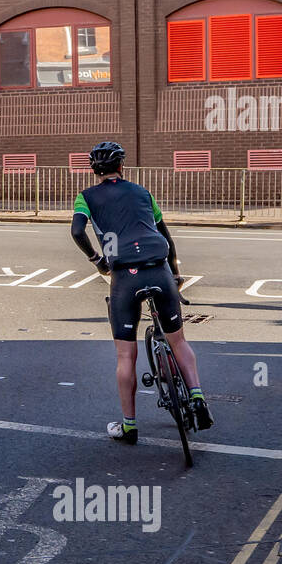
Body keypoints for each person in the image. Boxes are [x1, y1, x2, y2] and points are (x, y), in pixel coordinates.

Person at [70, 141, 213, 443]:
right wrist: (175, 274)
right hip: (159, 265)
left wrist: (97, 260)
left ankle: (129, 426)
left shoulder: (85, 198)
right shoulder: (143, 193)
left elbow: (77, 231)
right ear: (122, 166)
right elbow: (166, 236)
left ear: (94, 170)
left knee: (126, 355)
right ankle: (198, 396)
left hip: (125, 275)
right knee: (179, 340)